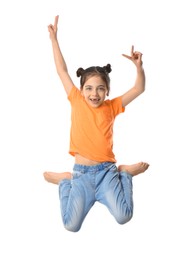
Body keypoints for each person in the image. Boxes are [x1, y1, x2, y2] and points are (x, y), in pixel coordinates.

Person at [43, 15, 149, 232]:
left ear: (107, 91)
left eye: (100, 88)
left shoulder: (112, 106)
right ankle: (65, 182)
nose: (94, 93)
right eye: (89, 88)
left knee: (124, 216)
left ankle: (125, 173)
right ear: (82, 91)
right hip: (80, 175)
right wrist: (54, 40)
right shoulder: (76, 100)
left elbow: (139, 89)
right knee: (71, 226)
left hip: (107, 173)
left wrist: (139, 67)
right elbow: (62, 71)